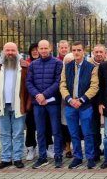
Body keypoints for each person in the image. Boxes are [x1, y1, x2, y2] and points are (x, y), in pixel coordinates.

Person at [0, 42, 31, 170]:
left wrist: (28, 105)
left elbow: (30, 86)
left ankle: (17, 158)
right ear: (3, 52)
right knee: (4, 133)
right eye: (7, 50)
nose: (10, 53)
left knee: (18, 133)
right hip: (1, 106)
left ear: (17, 51)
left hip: (19, 105)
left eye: (13, 50)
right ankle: (6, 159)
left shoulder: (25, 66)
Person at [60, 41, 99, 169]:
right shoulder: (67, 66)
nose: (76, 52)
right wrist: (70, 99)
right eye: (74, 50)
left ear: (84, 51)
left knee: (87, 133)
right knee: (73, 133)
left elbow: (94, 87)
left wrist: (81, 100)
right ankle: (77, 157)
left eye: (79, 50)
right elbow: (63, 84)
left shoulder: (91, 67)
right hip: (70, 105)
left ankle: (90, 157)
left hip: (85, 105)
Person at [26, 40, 64, 169]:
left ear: (50, 48)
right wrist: (37, 95)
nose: (43, 50)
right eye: (41, 48)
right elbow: (29, 82)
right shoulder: (33, 65)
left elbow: (58, 81)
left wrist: (44, 95)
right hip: (38, 103)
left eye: (45, 48)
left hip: (53, 103)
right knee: (40, 131)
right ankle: (42, 157)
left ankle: (58, 155)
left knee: (56, 130)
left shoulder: (58, 63)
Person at [87, 44, 107, 161]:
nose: (99, 54)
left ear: (105, 53)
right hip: (92, 100)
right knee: (94, 127)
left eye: (101, 52)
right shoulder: (88, 65)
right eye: (97, 52)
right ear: (93, 53)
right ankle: (96, 151)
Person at [24, 43, 39, 161]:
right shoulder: (25, 64)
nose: (35, 52)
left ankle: (48, 146)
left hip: (45, 98)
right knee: (30, 125)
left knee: (46, 125)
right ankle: (30, 147)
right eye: (32, 50)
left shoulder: (47, 61)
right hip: (30, 99)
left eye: (37, 49)